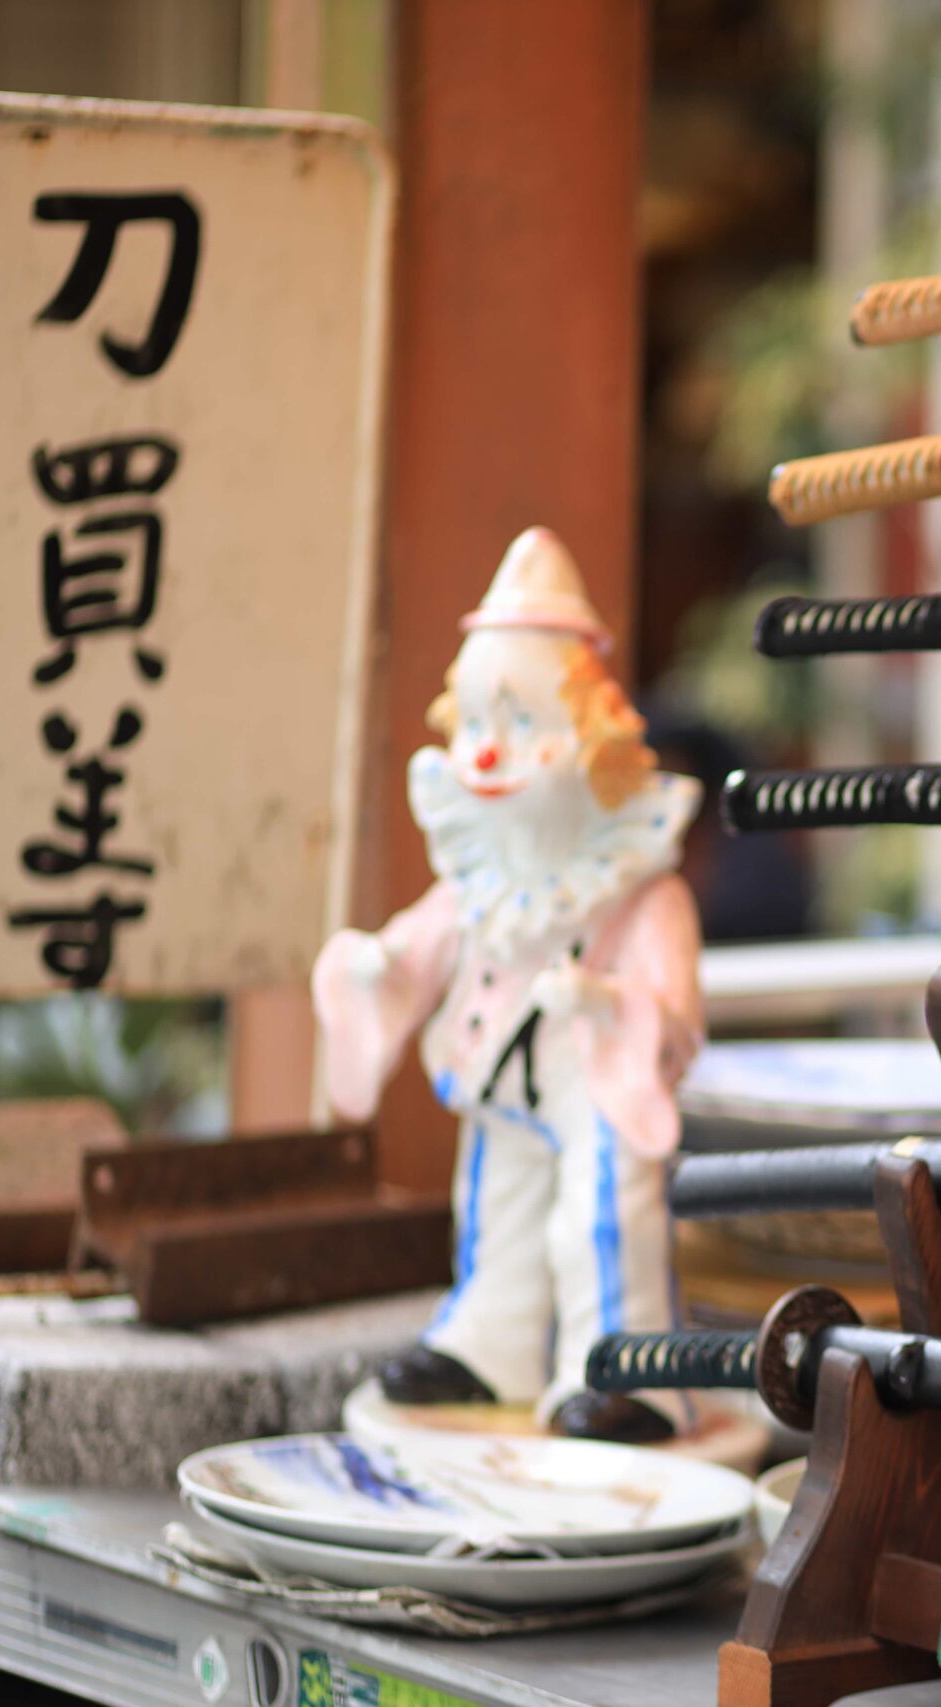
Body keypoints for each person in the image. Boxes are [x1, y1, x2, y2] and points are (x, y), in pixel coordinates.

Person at [313, 528, 706, 1442]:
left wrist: (610, 1005)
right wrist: (380, 966)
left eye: (522, 725)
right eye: (478, 727)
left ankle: (623, 1369)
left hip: (596, 1084)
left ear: (593, 736)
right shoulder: (476, 878)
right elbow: (422, 948)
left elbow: (675, 1011)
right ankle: (487, 1346)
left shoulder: (642, 890)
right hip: (501, 1074)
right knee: (495, 1209)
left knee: (601, 1218)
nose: (488, 756)